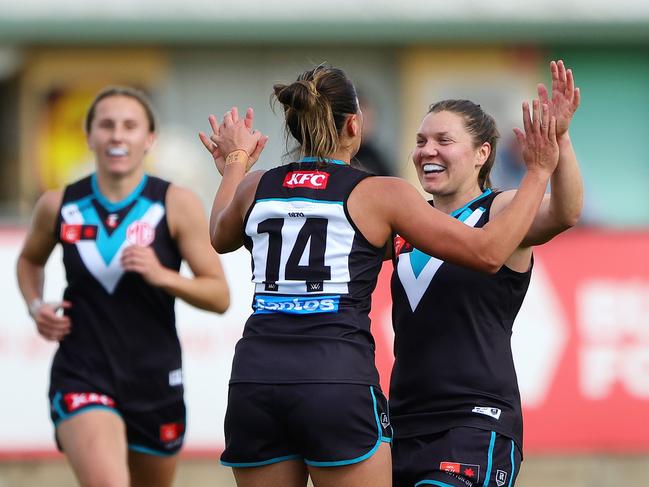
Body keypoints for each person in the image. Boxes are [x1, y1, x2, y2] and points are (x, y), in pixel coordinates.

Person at [199, 63, 558, 487]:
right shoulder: (377, 192)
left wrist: (236, 162)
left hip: (254, 378)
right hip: (334, 378)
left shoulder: (256, 186)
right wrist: (538, 171)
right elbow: (488, 251)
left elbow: (220, 234)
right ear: (355, 124)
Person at [16, 86, 230, 487]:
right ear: (90, 136)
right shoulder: (58, 204)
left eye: (130, 126)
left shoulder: (176, 203)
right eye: (107, 125)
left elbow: (219, 296)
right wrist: (34, 306)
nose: (117, 135)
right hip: (82, 373)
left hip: (155, 378)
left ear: (149, 139)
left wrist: (162, 275)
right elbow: (29, 260)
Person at [389, 60, 583, 487]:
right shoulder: (408, 220)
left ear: (482, 154)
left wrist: (559, 140)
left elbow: (566, 212)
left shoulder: (498, 210)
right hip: (403, 422)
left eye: (444, 140)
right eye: (421, 141)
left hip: (476, 420)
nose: (427, 151)